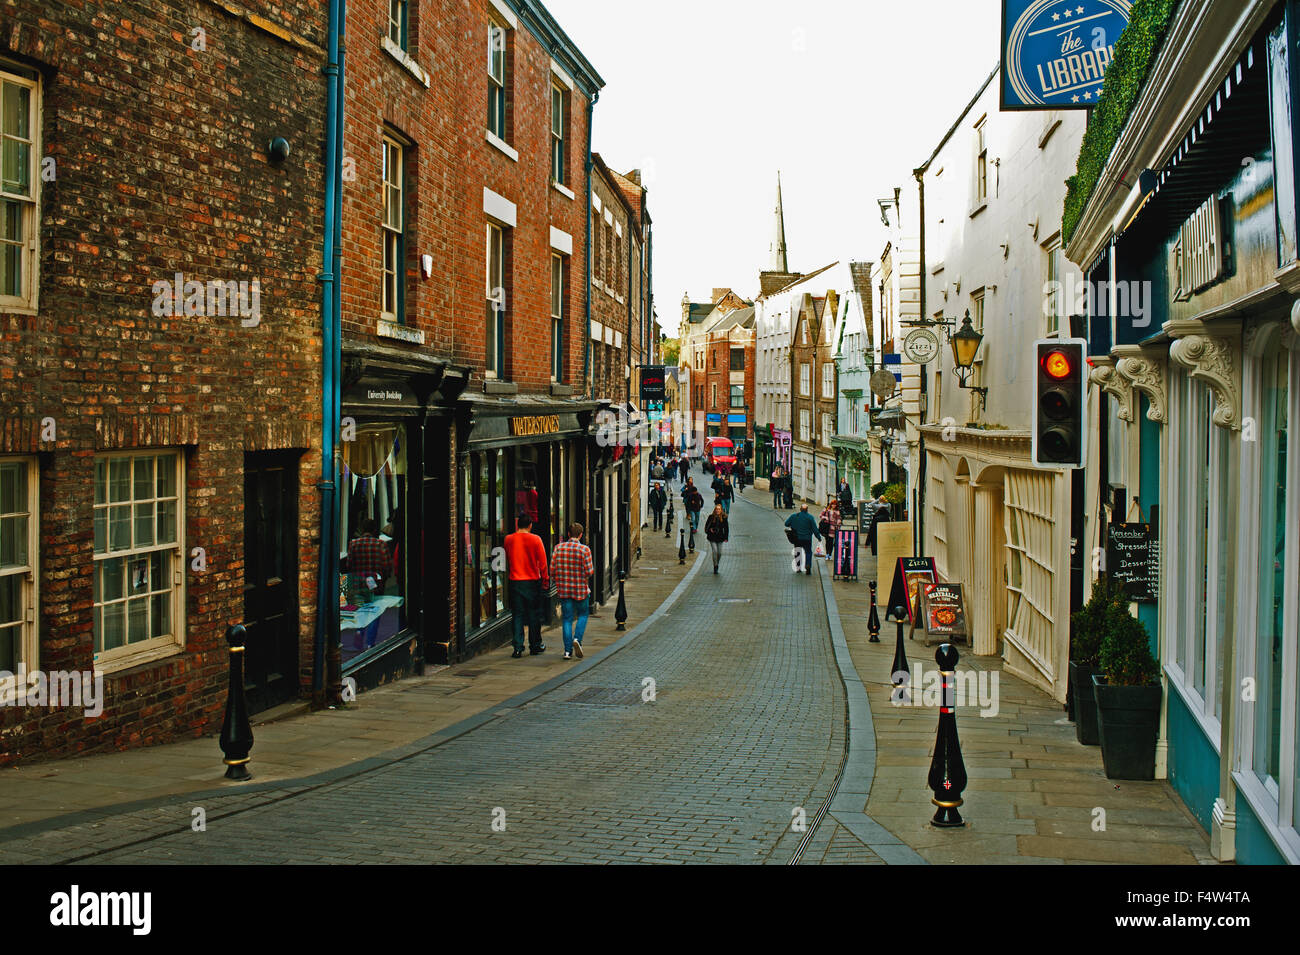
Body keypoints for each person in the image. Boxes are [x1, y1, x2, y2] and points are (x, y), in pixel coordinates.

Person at [503, 513, 548, 658]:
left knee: (518, 615)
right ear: (530, 525)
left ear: (518, 524)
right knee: (534, 614)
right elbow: (543, 562)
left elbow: (508, 557)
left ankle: (517, 647)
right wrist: (546, 580)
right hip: (531, 581)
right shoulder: (535, 539)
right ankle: (535, 645)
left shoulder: (508, 539)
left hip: (515, 580)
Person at [551, 522, 594, 660]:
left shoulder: (558, 548)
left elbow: (551, 570)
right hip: (580, 589)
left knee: (567, 619)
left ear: (568, 534)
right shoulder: (584, 550)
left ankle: (567, 651)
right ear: (580, 535)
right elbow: (589, 571)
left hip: (564, 590)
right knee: (583, 615)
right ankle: (577, 639)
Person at [344, 518, 388, 603]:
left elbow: (349, 565)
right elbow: (386, 567)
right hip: (375, 583)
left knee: (360, 607)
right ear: (374, 529)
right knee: (375, 606)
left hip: (359, 583)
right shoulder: (381, 544)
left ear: (362, 529)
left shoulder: (353, 544)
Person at [785, 503, 822, 575]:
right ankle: (808, 565)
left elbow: (786, 524)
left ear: (800, 509)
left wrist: (793, 524)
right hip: (807, 538)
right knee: (808, 552)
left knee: (798, 551)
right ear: (807, 510)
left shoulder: (794, 516)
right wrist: (819, 537)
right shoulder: (810, 517)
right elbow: (814, 529)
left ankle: (798, 568)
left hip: (797, 538)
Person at [704, 503, 729, 574]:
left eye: (719, 509)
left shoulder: (724, 518)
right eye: (716, 509)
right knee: (715, 551)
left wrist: (726, 537)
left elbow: (726, 528)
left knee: (720, 553)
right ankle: (715, 566)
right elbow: (706, 527)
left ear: (721, 510)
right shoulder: (711, 517)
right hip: (712, 537)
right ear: (715, 510)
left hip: (720, 537)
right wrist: (710, 530)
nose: (717, 510)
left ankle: (717, 563)